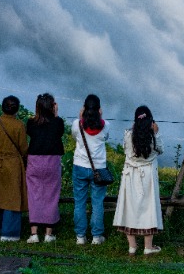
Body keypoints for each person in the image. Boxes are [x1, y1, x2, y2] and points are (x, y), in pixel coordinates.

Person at [113, 106, 164, 255]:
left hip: (130, 175)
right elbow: (161, 150)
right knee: (149, 208)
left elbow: (126, 150)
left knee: (130, 208)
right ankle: (148, 247)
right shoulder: (153, 138)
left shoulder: (128, 135)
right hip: (147, 176)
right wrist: (156, 132)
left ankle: (132, 246)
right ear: (150, 121)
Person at [0, 95, 28, 242]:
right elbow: (23, 148)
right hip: (13, 164)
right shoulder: (19, 125)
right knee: (12, 198)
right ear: (17, 109)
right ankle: (9, 233)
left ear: (2, 107)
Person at [25, 93, 64, 244]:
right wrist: (56, 114)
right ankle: (49, 233)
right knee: (51, 194)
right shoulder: (58, 122)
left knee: (33, 194)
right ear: (52, 106)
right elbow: (58, 132)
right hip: (52, 160)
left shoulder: (30, 123)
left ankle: (34, 233)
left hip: (34, 160)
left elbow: (32, 132)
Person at [72, 94, 110, 245]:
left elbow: (75, 136)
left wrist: (80, 116)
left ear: (84, 109)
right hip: (98, 169)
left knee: (79, 202)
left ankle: (80, 236)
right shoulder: (106, 125)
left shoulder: (77, 124)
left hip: (80, 166)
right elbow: (105, 138)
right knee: (97, 202)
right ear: (99, 110)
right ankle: (96, 236)